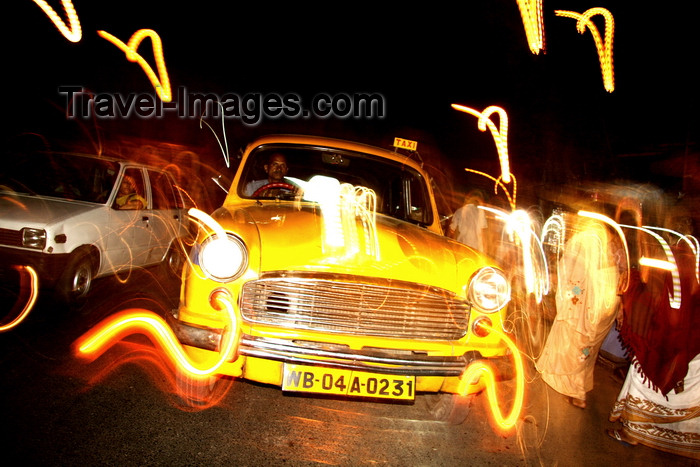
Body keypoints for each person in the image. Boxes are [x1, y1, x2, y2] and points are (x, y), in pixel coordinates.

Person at [607, 233, 699, 459]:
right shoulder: (691, 262)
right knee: (691, 393)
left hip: (662, 341)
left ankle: (634, 433)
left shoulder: (670, 263)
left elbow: (651, 300)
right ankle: (685, 438)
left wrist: (630, 286)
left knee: (642, 383)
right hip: (691, 346)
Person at [536, 215, 623, 409]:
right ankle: (578, 388)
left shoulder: (584, 239)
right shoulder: (612, 241)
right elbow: (619, 270)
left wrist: (566, 293)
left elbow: (570, 269)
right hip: (606, 304)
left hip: (584, 303)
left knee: (572, 344)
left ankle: (574, 390)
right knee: (587, 350)